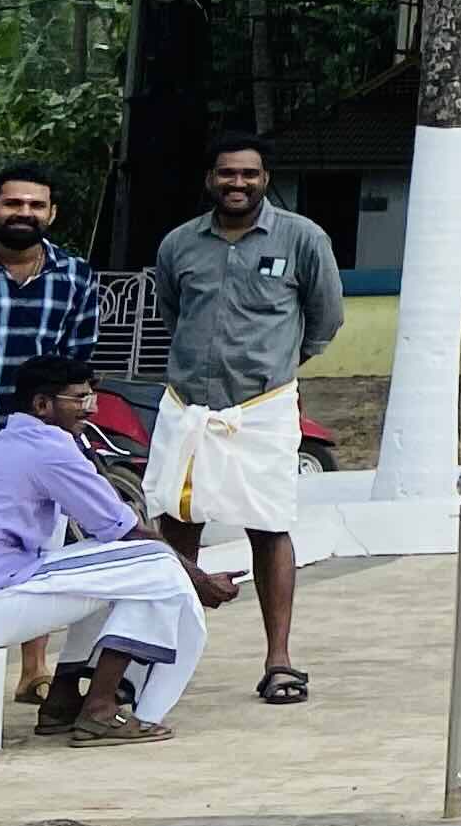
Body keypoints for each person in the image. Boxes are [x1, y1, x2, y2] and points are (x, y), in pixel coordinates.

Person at [0, 350, 235, 744]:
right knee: (156, 567)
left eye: (90, 397)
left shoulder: (14, 441)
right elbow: (124, 529)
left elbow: (109, 535)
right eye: (79, 399)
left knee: (116, 570)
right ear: (42, 405)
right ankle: (100, 709)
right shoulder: (49, 449)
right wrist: (199, 579)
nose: (92, 409)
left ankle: (61, 701)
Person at [144, 133, 345, 705]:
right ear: (210, 179)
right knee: (177, 526)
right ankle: (165, 657)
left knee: (269, 526)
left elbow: (324, 318)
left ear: (265, 179)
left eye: (249, 175)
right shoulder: (180, 244)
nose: (238, 183)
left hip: (262, 410)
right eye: (226, 174)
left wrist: (276, 365)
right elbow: (173, 312)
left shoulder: (302, 238)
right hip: (188, 407)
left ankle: (279, 660)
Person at [0, 160, 100, 706]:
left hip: (37, 449)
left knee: (38, 555)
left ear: (51, 214)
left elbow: (77, 367)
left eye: (35, 205)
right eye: (13, 203)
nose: (23, 214)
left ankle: (34, 669)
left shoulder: (76, 278)